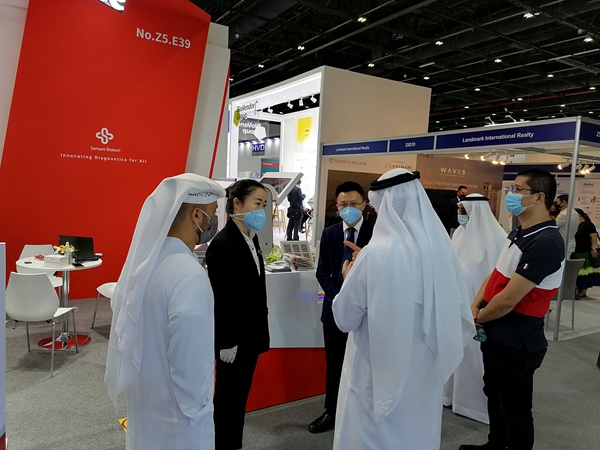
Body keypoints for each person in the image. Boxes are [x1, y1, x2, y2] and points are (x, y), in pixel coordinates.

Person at [331, 169, 474, 449]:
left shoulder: (375, 253)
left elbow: (345, 318)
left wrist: (350, 278)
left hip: (375, 372)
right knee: (416, 430)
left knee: (372, 434)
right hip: (425, 370)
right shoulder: (440, 250)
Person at [104, 173, 226, 450]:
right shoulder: (189, 274)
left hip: (145, 403)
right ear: (197, 215)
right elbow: (191, 361)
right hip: (181, 418)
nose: (215, 221)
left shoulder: (144, 267)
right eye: (213, 213)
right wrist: (200, 408)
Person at [461, 168, 565, 450]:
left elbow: (509, 299)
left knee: (515, 406)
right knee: (494, 393)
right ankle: (495, 444)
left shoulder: (545, 242)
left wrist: (480, 317)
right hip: (496, 329)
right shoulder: (520, 231)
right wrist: (475, 306)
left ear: (539, 197)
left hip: (518, 337)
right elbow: (496, 273)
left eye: (518, 189)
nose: (511, 194)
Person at [206, 179, 270, 450]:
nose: (262, 211)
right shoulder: (223, 244)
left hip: (250, 335)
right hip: (234, 340)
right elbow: (220, 299)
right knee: (228, 399)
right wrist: (226, 342)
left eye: (264, 205)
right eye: (257, 203)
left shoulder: (251, 239)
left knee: (239, 396)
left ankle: (233, 443)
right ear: (237, 203)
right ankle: (224, 444)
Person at [309, 181, 375, 434]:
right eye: (343, 204)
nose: (348, 208)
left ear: (364, 205)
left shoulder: (377, 234)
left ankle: (362, 414)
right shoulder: (330, 233)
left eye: (354, 204)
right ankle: (332, 411)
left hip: (367, 312)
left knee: (365, 365)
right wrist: (340, 297)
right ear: (337, 207)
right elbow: (322, 271)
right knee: (335, 363)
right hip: (335, 310)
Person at [443, 194, 507, 424]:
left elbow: (497, 279)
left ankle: (474, 405)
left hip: (480, 311)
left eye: (464, 211)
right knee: (454, 351)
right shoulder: (458, 235)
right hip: (455, 306)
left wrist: (480, 308)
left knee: (475, 356)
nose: (460, 215)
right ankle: (450, 396)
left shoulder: (498, 239)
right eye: (459, 210)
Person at [571, 208, 600, 299]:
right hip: (575, 251)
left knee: (584, 273)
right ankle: (577, 290)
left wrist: (593, 249)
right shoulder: (574, 225)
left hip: (584, 253)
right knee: (576, 273)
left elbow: (594, 237)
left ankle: (583, 291)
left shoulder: (588, 225)